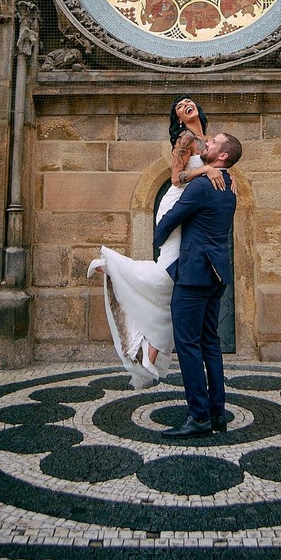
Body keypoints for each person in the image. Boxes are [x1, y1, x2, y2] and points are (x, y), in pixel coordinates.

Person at [87, 96, 234, 388]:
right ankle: (114, 267)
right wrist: (205, 170)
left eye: (189, 102)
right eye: (179, 106)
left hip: (198, 206)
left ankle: (152, 350)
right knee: (169, 270)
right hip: (179, 202)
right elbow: (177, 178)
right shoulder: (185, 138)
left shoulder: (210, 139)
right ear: (179, 118)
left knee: (176, 283)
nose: (185, 106)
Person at [156, 131, 243, 437]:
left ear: (222, 156)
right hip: (216, 274)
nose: (207, 144)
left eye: (214, 142)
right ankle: (217, 413)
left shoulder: (204, 185)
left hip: (193, 274)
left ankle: (199, 417)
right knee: (210, 343)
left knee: (188, 344)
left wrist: (158, 245)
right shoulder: (230, 185)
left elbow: (171, 217)